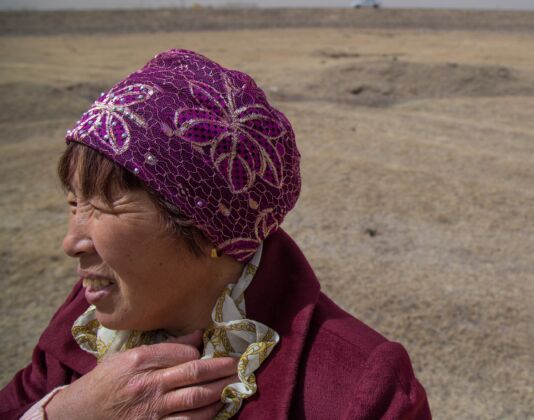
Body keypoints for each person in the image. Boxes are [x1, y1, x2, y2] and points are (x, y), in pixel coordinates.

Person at [0, 49, 430, 419]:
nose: (70, 241)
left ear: (208, 229)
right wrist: (65, 411)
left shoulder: (356, 388)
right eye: (74, 203)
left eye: (103, 206)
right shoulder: (85, 314)